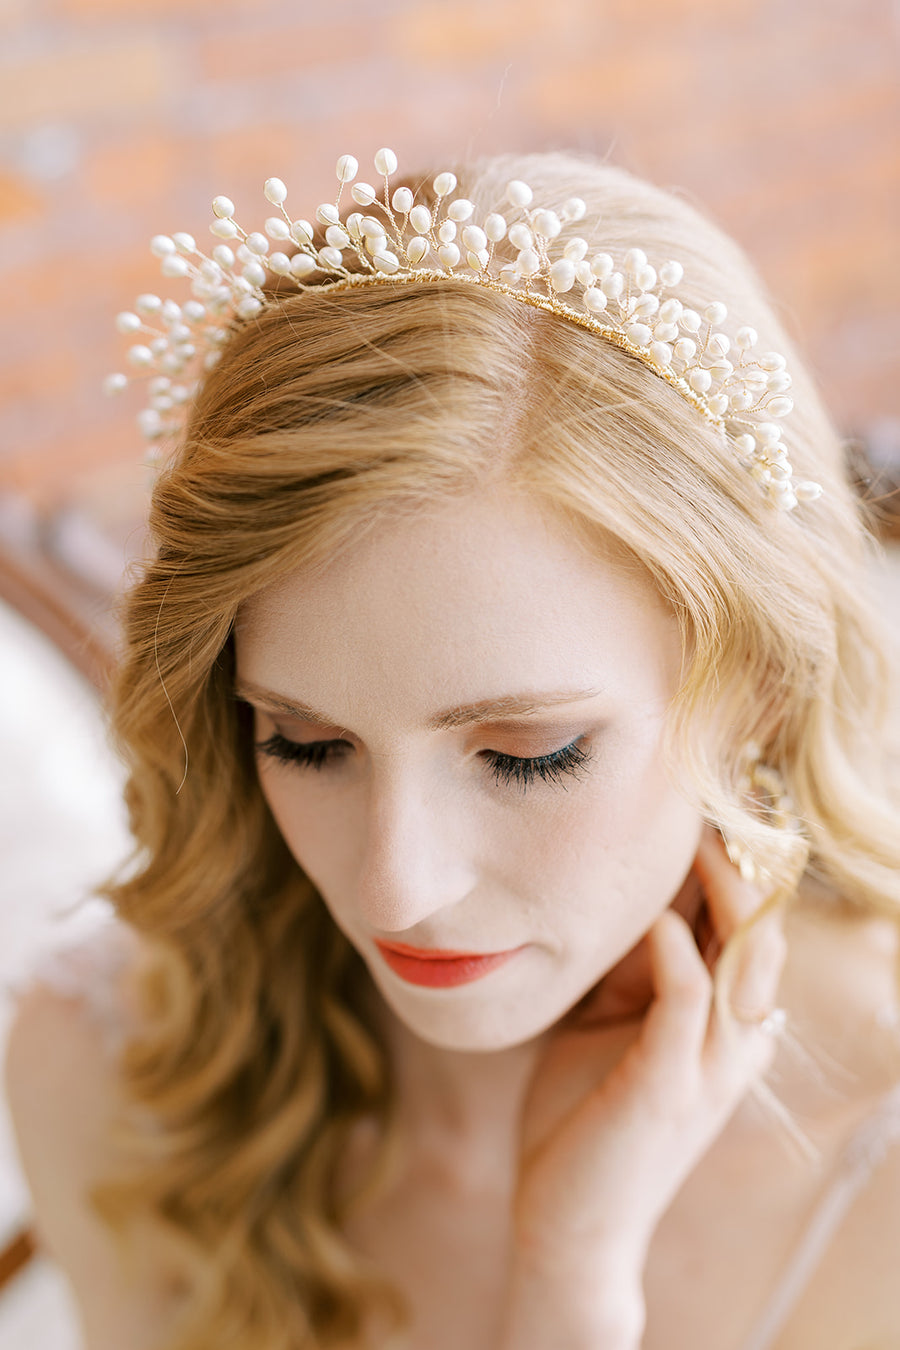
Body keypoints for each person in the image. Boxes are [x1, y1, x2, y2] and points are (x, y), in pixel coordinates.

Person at [4, 147, 900, 1350]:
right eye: (306, 742)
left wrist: (573, 1280)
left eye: (527, 756)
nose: (396, 887)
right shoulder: (120, 1073)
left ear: (763, 692)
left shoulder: (875, 1156)